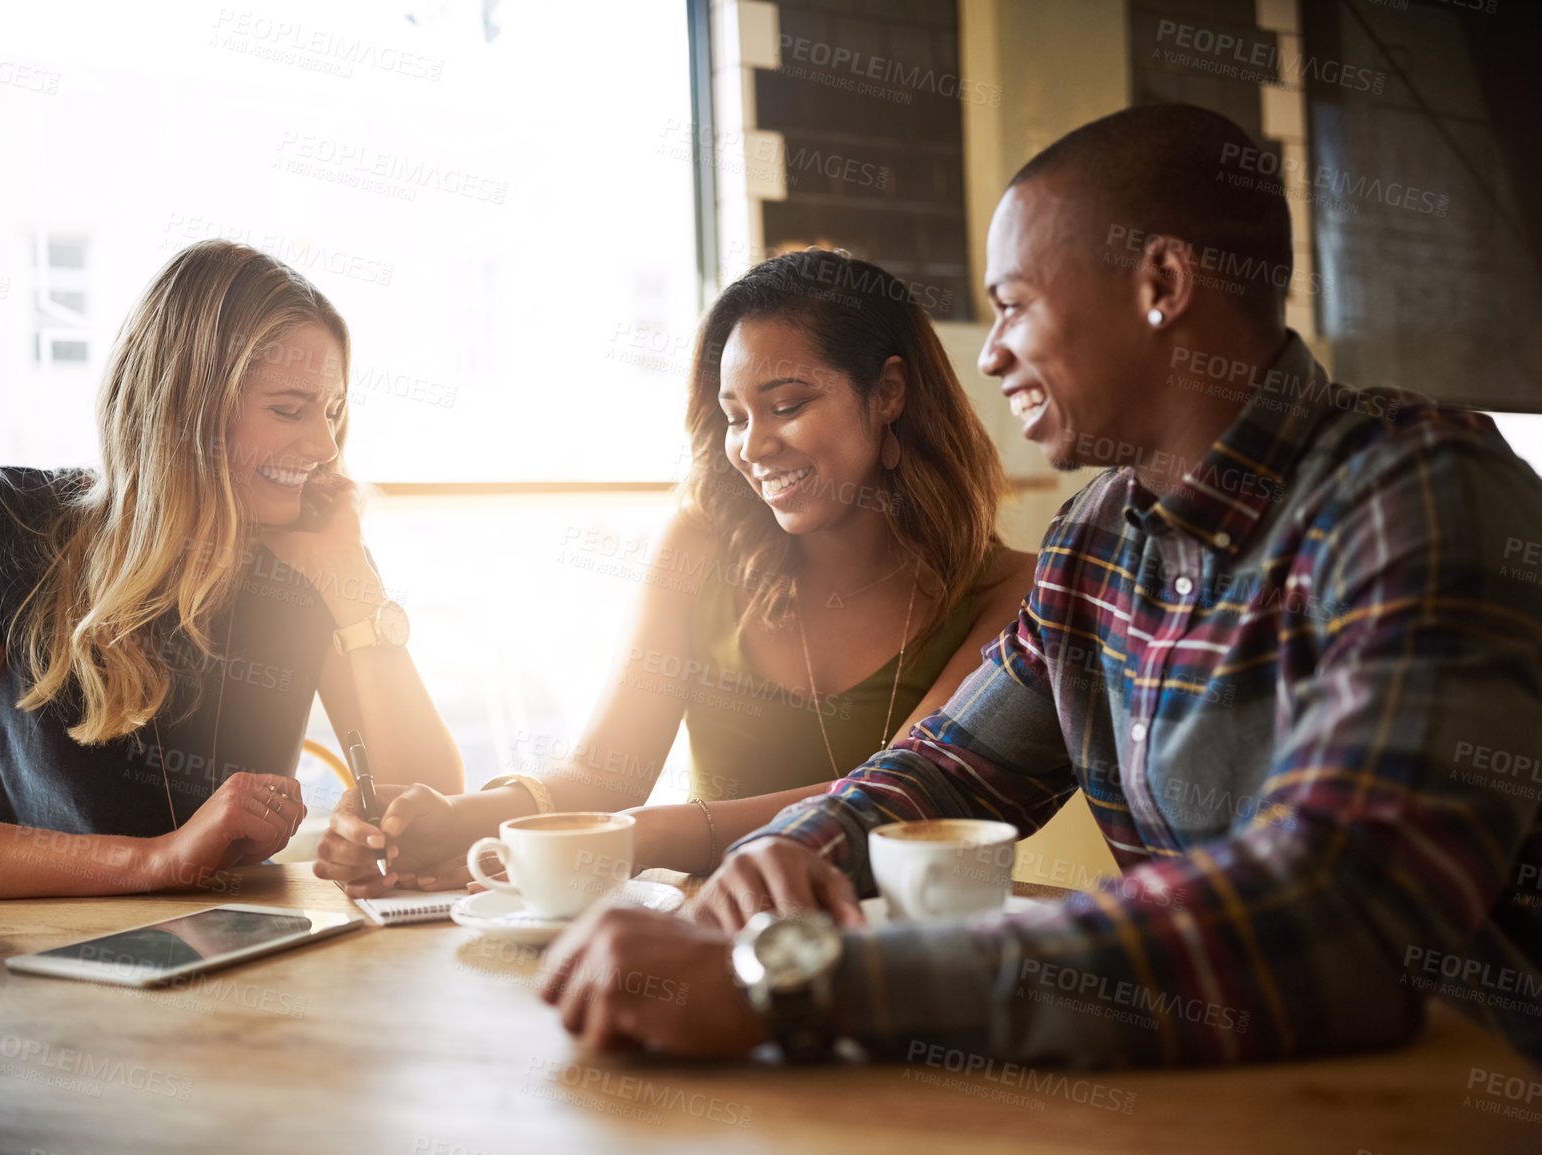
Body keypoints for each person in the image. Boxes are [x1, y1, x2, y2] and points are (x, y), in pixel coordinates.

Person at [537, 103, 1542, 1068]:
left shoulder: (1420, 495)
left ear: (1162, 280)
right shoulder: (1096, 541)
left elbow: (1339, 921)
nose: (990, 351)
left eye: (1014, 302)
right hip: (1228, 1094)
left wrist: (799, 979)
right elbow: (942, 772)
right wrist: (785, 856)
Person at [316, 250, 1032, 895]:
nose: (753, 446)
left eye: (787, 405)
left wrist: (650, 834)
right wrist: (461, 818)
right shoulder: (700, 547)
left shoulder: (1011, 593)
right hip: (707, 947)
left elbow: (907, 796)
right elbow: (602, 771)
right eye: (733, 417)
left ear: (888, 393)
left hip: (907, 958)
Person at [0, 240, 462, 900]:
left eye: (333, 411)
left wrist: (352, 581)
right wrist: (158, 860)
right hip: (35, 971)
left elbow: (438, 807)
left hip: (240, 960)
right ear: (184, 406)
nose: (321, 446)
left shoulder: (314, 549)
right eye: (288, 409)